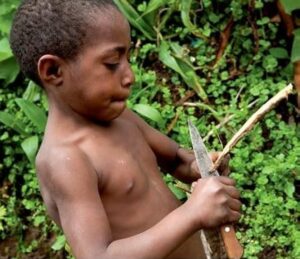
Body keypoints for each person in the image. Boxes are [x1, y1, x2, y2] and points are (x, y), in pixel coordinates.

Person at [10, 1, 242, 258]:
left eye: (127, 58)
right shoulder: (66, 160)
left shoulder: (122, 119)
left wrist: (199, 167)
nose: (129, 75)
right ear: (53, 71)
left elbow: (176, 159)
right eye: (111, 63)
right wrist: (192, 213)